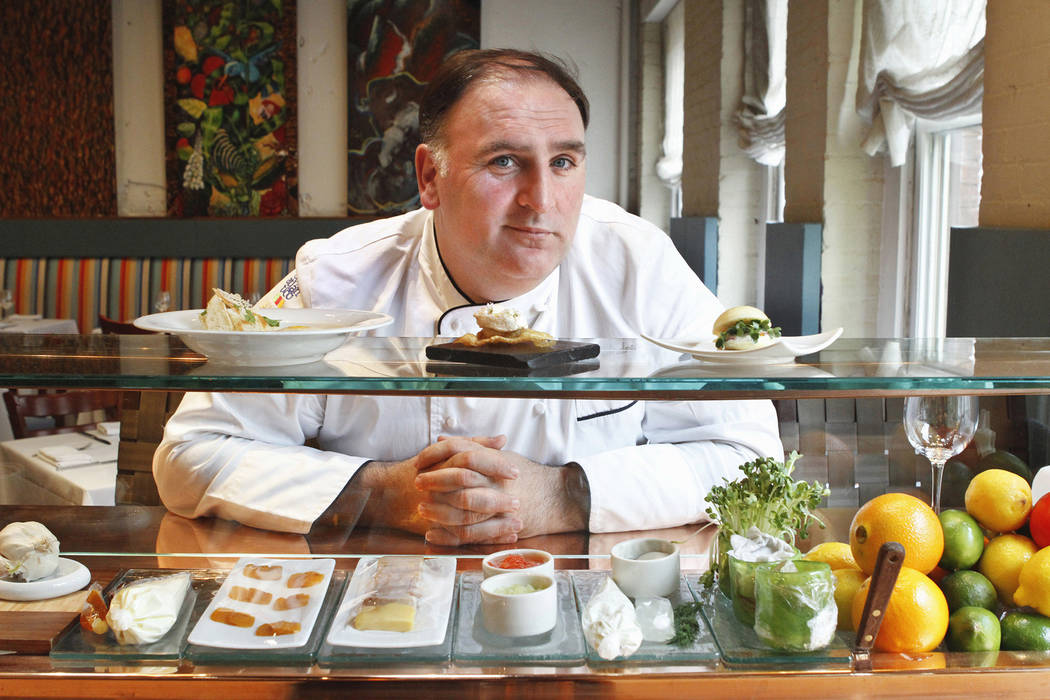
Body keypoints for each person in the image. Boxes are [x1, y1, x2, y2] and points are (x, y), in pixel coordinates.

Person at [153, 49, 783, 544]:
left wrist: (563, 496)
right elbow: (189, 455)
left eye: (564, 162)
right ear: (431, 176)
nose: (542, 200)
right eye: (505, 162)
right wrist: (377, 494)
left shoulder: (637, 263)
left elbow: (752, 457)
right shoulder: (336, 275)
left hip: (586, 600)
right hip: (378, 599)